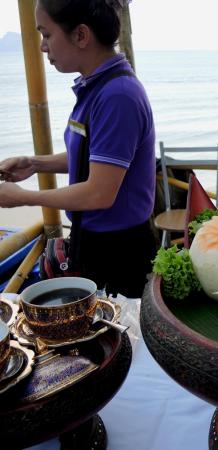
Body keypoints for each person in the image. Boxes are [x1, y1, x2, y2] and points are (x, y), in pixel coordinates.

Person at [0, 0, 156, 297]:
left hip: (120, 251)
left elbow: (100, 191)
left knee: (116, 336)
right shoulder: (97, 86)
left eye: (46, 34)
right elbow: (94, 158)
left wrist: (23, 197)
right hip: (96, 240)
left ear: (81, 35)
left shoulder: (117, 96)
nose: (43, 47)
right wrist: (34, 164)